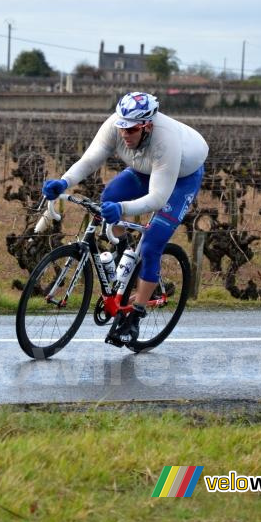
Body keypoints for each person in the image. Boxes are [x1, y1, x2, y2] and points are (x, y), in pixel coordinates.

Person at [41, 92, 209, 346]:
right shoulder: (115, 126)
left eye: (131, 130)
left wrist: (122, 208)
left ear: (147, 127)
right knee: (108, 196)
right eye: (122, 128)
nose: (124, 134)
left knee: (152, 243)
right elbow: (90, 160)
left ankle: (135, 318)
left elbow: (157, 198)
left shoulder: (166, 141)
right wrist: (64, 182)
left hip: (181, 179)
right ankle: (124, 253)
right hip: (146, 169)